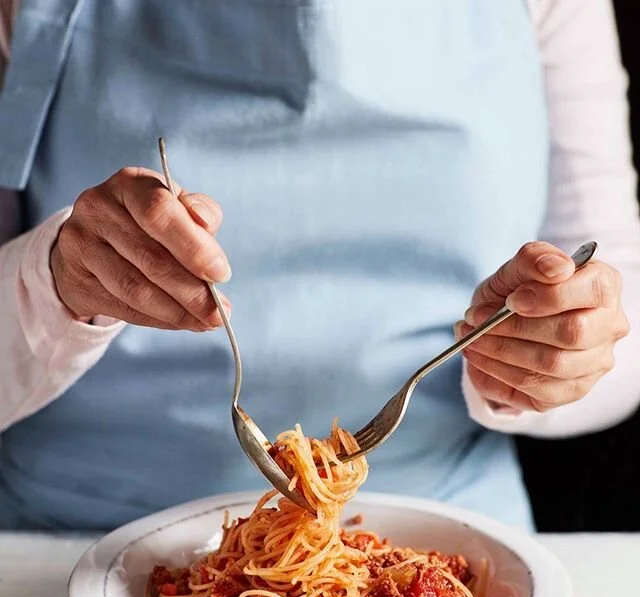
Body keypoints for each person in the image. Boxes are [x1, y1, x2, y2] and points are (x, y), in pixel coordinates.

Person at [0, 0, 638, 532]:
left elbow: (621, 320)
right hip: (69, 544)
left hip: (446, 547)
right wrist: (55, 282)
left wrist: (542, 362)